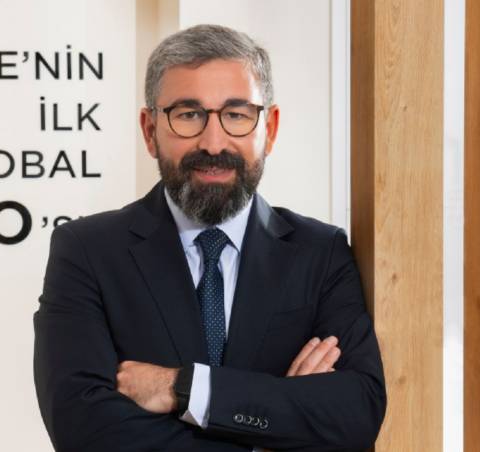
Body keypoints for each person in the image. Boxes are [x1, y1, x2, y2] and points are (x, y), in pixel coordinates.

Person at [33, 24, 386, 451]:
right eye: (188, 115)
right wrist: (273, 434)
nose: (214, 143)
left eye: (237, 115)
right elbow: (84, 431)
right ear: (150, 130)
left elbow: (356, 414)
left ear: (270, 128)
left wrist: (185, 388)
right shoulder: (87, 251)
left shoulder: (321, 253)